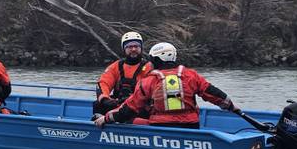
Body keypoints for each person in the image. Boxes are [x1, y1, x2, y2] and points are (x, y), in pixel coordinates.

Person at [94, 42, 240, 128]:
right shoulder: (191, 75)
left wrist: (106, 118)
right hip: (191, 125)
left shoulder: (149, 80)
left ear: (157, 59)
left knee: (127, 120)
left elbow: (130, 108)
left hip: (161, 126)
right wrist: (231, 105)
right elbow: (213, 93)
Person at [93, 31, 153, 116]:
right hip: (118, 103)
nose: (133, 49)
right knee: (98, 104)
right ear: (124, 49)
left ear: (141, 48)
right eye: (129, 47)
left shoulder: (149, 67)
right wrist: (105, 99)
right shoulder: (115, 66)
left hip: (138, 105)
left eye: (136, 46)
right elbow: (104, 83)